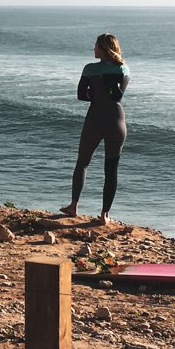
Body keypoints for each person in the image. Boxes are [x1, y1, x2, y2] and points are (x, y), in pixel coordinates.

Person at [59, 33, 129, 225]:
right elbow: (117, 97)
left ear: (104, 49)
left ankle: (73, 206)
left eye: (96, 46)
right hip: (117, 121)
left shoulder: (90, 69)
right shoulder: (123, 68)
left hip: (95, 119)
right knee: (111, 169)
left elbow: (81, 95)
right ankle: (105, 215)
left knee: (82, 162)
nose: (93, 49)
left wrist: (95, 94)